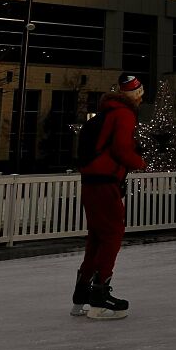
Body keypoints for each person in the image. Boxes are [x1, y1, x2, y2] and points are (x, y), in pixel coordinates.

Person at [72, 73, 147, 320]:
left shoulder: (105, 113)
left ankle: (82, 293)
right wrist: (140, 162)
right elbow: (121, 148)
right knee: (113, 233)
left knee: (97, 236)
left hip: (91, 181)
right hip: (105, 182)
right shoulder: (124, 114)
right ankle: (99, 296)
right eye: (140, 95)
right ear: (135, 96)